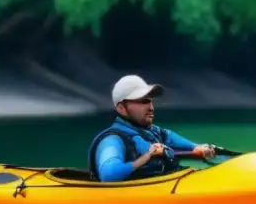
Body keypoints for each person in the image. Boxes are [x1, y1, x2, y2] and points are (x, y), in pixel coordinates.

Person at [88, 74, 217, 182]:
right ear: (122, 108)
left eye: (150, 101)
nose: (151, 108)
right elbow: (109, 175)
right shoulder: (112, 140)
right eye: (143, 102)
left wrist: (196, 148)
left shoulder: (152, 132)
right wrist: (147, 156)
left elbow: (170, 137)